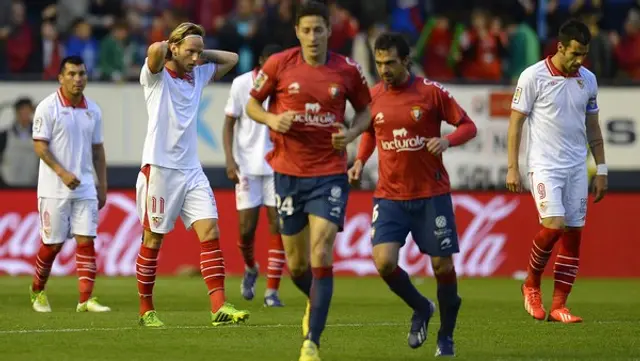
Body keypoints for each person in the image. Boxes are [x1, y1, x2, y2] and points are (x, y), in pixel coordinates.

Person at [245, 2, 372, 360]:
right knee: (298, 266)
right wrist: (271, 120)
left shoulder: (347, 70)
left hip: (329, 174)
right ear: (297, 32)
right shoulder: (278, 64)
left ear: (329, 31)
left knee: (322, 249)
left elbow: (366, 112)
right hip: (287, 175)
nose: (313, 37)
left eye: (319, 29)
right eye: (307, 30)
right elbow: (252, 105)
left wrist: (350, 135)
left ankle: (311, 342)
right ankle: (313, 302)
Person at [348, 32, 477, 357]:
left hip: (431, 194)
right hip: (390, 197)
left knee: (443, 268)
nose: (383, 69)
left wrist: (447, 141)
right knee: (384, 262)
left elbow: (468, 126)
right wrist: (360, 161)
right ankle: (421, 307)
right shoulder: (373, 96)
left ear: (405, 60)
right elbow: (371, 133)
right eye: (378, 63)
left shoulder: (431, 93)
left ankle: (446, 337)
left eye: (390, 62)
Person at [135, 22, 249, 327]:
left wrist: (197, 50)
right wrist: (178, 44)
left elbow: (233, 59)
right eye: (190, 51)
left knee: (210, 232)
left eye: (199, 52)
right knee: (153, 239)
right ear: (174, 48)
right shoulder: (156, 77)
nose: (197, 58)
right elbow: (156, 50)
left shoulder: (198, 73)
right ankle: (146, 310)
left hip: (191, 169)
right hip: (160, 169)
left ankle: (219, 307)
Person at [506, 19, 607, 323]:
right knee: (554, 225)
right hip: (545, 165)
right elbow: (515, 123)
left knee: (574, 235)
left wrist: (601, 168)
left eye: (584, 55)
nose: (579, 61)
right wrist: (513, 168)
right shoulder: (533, 76)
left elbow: (593, 126)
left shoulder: (587, 79)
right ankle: (531, 283)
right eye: (575, 54)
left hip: (577, 167)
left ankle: (560, 304)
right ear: (560, 47)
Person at [29, 55, 110, 314]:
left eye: (82, 74)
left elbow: (98, 150)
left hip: (85, 185)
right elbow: (40, 146)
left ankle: (85, 299)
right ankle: (37, 290)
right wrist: (62, 172)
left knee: (86, 241)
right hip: (54, 188)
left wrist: (102, 185)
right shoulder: (47, 107)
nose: (78, 79)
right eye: (72, 74)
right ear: (61, 77)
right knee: (53, 244)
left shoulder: (93, 110)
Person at [223, 43, 286, 307]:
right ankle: (250, 268)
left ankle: (272, 291)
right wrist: (229, 159)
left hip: (279, 165)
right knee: (246, 230)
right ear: (261, 62)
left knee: (278, 225)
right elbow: (229, 124)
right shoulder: (240, 84)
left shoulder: (287, 86)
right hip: (248, 165)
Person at [0, 97, 39, 187]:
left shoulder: (39, 136)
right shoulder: (4, 136)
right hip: (7, 186)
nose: (25, 114)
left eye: (27, 111)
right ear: (16, 112)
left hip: (32, 186)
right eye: (22, 110)